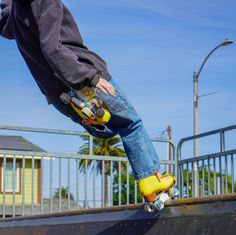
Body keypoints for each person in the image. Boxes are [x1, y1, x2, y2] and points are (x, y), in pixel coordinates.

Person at [0, 0, 175, 205]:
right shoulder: (48, 2)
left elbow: (6, 22)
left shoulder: (15, 14)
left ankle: (152, 196)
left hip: (60, 96)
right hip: (84, 80)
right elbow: (52, 49)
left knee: (110, 128)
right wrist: (90, 77)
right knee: (131, 124)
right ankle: (151, 179)